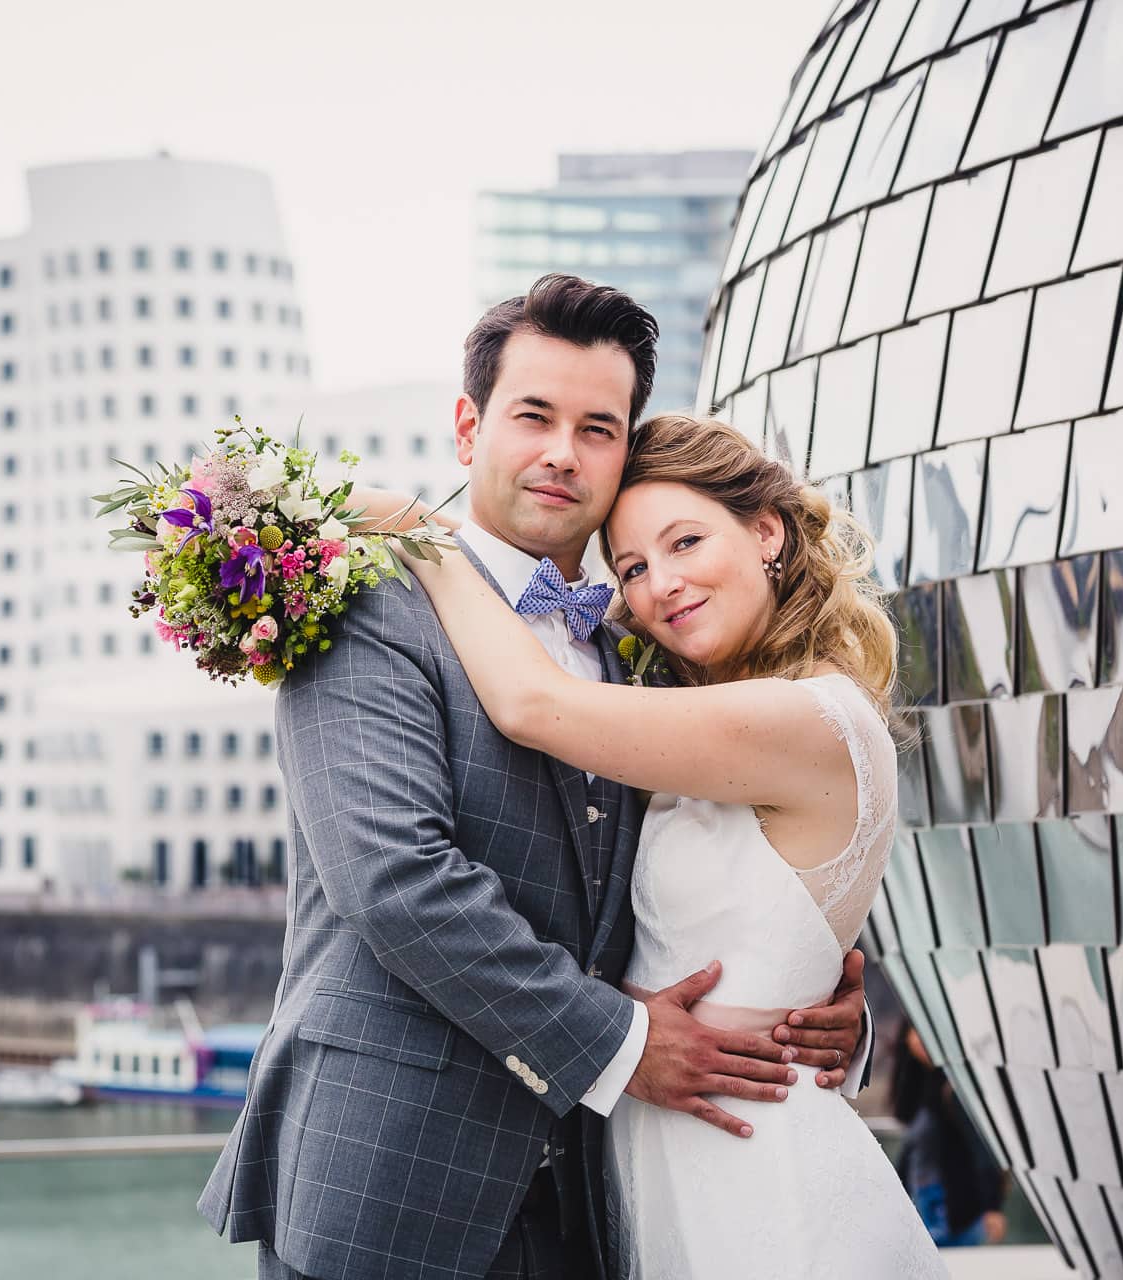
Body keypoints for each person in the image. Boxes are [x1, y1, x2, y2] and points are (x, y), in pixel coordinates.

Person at [199, 275, 871, 1280]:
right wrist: (623, 1042)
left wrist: (818, 1000)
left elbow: (755, 866)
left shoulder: (646, 640)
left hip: (601, 1200)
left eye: (599, 427)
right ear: (469, 428)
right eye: (534, 416)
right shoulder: (366, 604)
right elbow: (394, 879)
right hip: (393, 1184)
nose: (564, 451)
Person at [356, 407, 946, 1276]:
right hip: (658, 1161)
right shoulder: (706, 715)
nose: (659, 584)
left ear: (768, 533)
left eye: (685, 543)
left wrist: (425, 533)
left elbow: (532, 707)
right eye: (632, 567)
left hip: (750, 1167)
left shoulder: (807, 715)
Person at [891, 1019, 1010, 1248]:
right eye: (914, 1033)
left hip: (952, 1207)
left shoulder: (955, 1087)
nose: (920, 1040)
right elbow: (909, 1139)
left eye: (925, 1033)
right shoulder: (918, 1085)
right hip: (921, 1201)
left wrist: (992, 1206)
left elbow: (982, 1147)